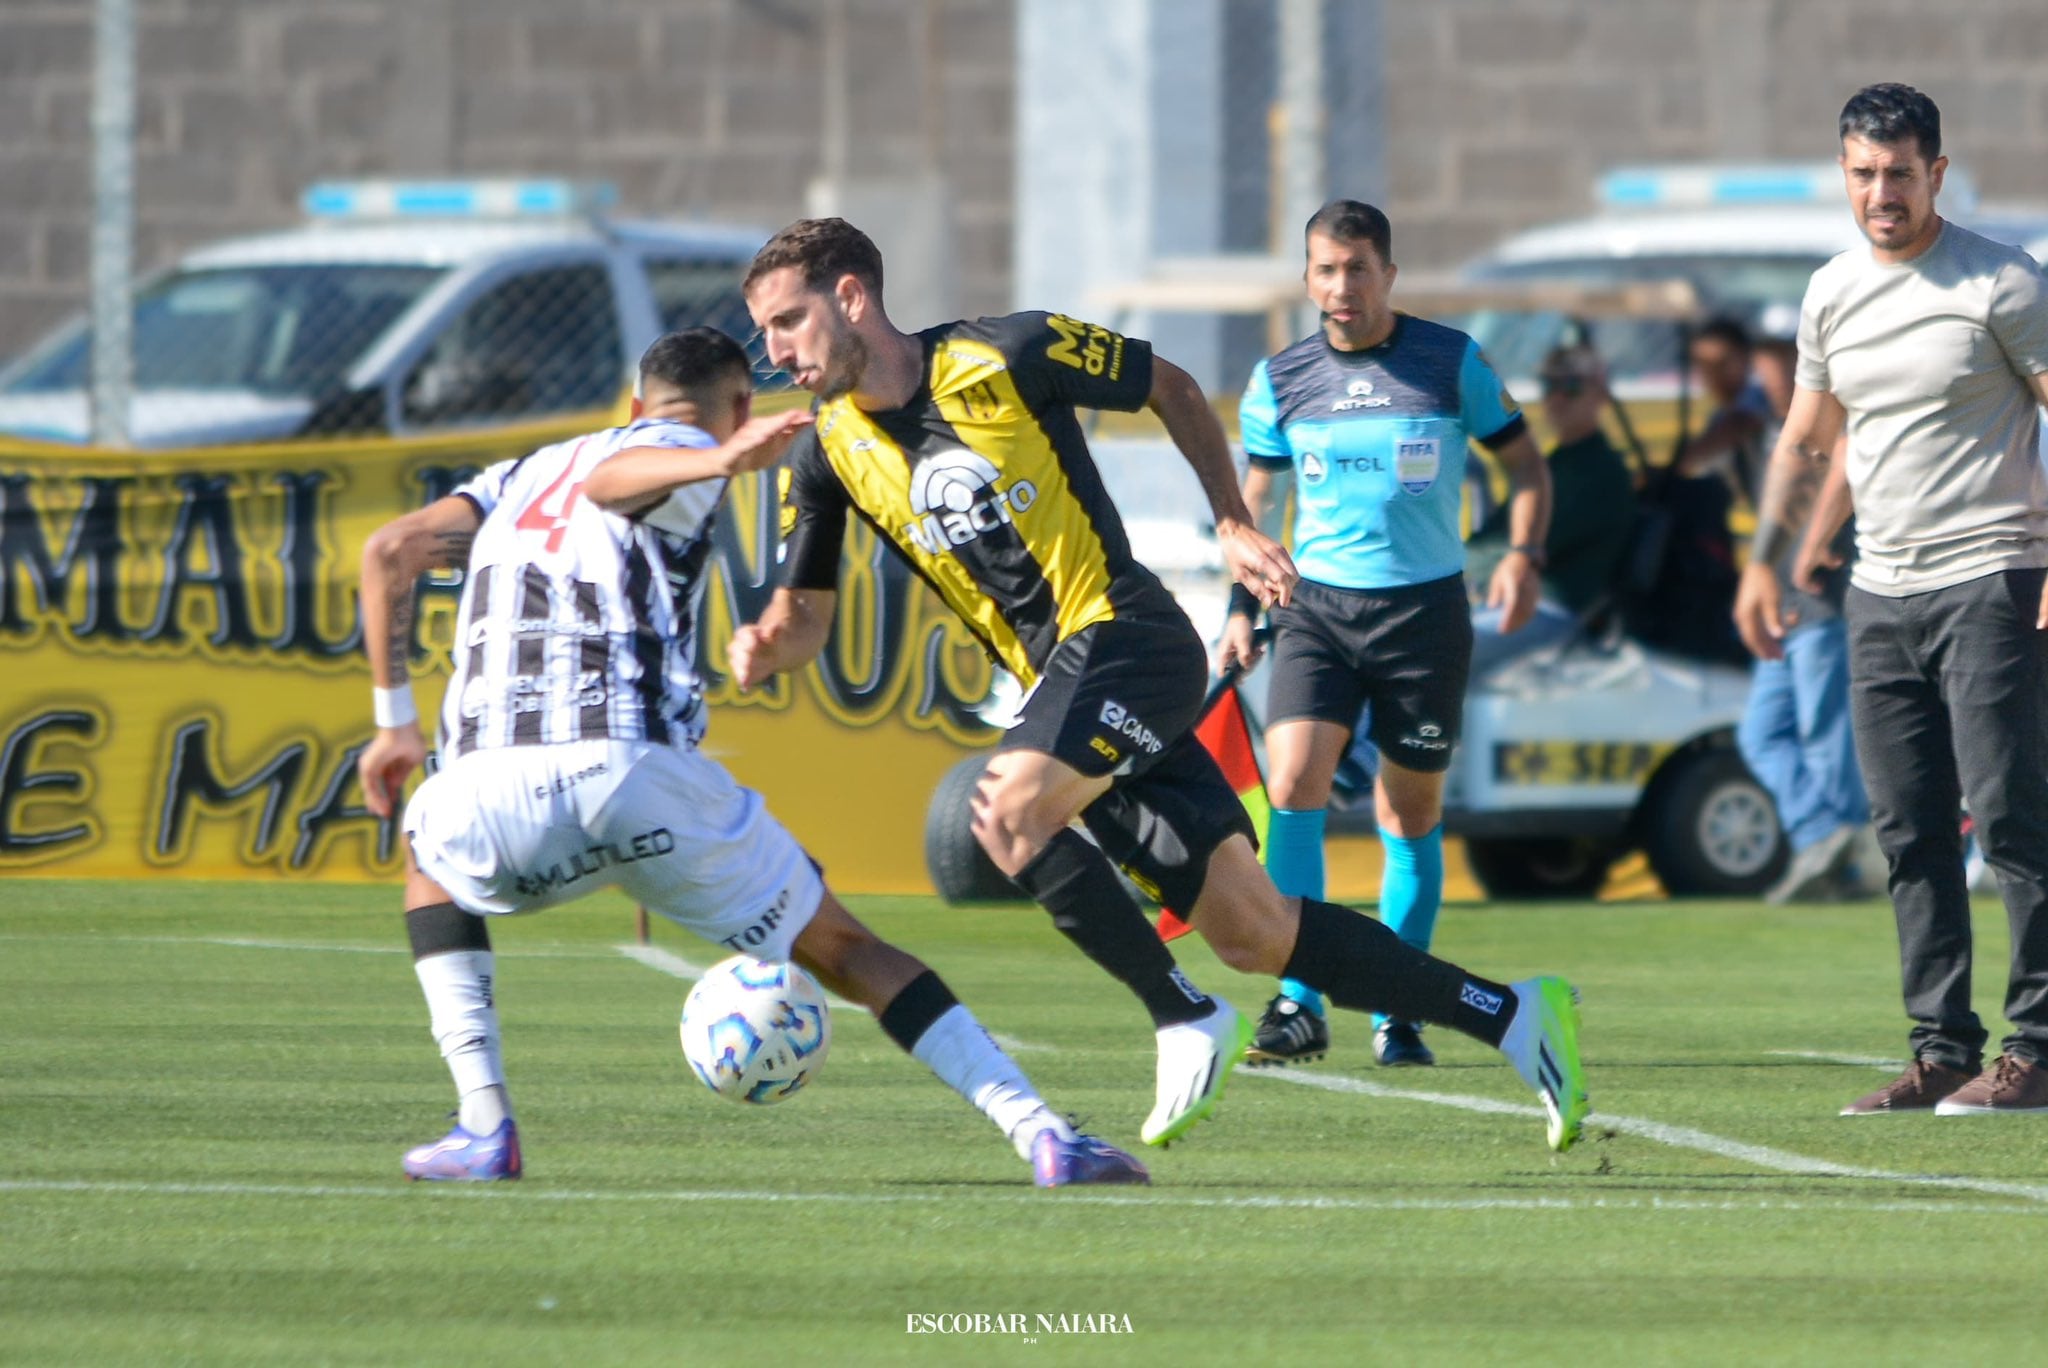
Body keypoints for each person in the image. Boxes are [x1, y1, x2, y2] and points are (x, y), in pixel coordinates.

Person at [730, 216, 1590, 1152]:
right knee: (1255, 933)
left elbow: (1170, 386)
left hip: (1127, 639)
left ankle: (1182, 1015)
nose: (775, 353)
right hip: (1063, 688)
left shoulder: (1008, 351)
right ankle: (1514, 1015)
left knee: (1007, 811)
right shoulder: (825, 453)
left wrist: (1229, 520)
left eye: (787, 322)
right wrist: (772, 640)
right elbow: (804, 616)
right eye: (765, 332)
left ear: (850, 297)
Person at [356, 327, 1149, 1186]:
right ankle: (1042, 1134)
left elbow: (389, 551)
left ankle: (483, 1125)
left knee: (427, 862)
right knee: (847, 949)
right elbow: (611, 483)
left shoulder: (513, 478)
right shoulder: (683, 449)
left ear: (631, 398)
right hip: (627, 768)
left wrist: (394, 724)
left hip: (482, 786)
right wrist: (717, 459)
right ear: (736, 405)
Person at [1735, 83, 2048, 1116]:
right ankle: (1942, 1052)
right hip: (1879, 592)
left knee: (2007, 818)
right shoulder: (1829, 291)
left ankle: (2037, 1050)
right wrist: (1766, 562)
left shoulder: (2001, 282)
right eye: (1863, 174)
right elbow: (1809, 437)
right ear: (1843, 174)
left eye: (1900, 174)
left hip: (1992, 576)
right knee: (1907, 832)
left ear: (1936, 174)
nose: (1881, 193)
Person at [1216, 200, 1554, 1069]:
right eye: (1325, 270)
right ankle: (1298, 1002)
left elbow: (1524, 464)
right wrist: (1239, 609)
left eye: (1357, 268)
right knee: (1292, 783)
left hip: (1424, 618)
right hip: (1317, 612)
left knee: (1407, 811)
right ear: (1306, 281)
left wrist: (1520, 554)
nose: (1341, 286)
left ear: (1388, 276)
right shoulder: (1280, 380)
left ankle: (1398, 1008)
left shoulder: (1450, 361)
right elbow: (1254, 503)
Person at [1733, 310, 1871, 904]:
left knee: (1825, 738)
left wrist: (1809, 544)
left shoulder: (1835, 415)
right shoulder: (1773, 427)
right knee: (1760, 733)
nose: (1770, 367)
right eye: (1763, 355)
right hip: (1783, 609)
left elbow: (1841, 476)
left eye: (1779, 354)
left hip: (1824, 604)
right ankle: (1823, 835)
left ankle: (1846, 867)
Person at [1466, 342, 1638, 677]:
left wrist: (1463, 565)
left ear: (1600, 394)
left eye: (1571, 386)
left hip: (1551, 609)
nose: (1557, 397)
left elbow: (1517, 544)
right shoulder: (1553, 462)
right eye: (1549, 386)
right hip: (1508, 602)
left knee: (1433, 651)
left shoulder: (1600, 470)